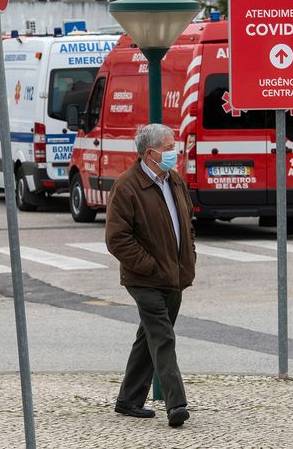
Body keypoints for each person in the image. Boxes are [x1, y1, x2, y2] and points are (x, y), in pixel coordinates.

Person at [105, 123, 196, 427]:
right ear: (150, 153)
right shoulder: (127, 186)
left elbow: (187, 223)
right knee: (163, 336)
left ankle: (129, 399)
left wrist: (188, 256)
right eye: (169, 147)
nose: (175, 152)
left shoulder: (174, 181)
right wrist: (149, 266)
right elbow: (117, 238)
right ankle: (176, 404)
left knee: (149, 336)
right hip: (144, 278)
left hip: (174, 276)